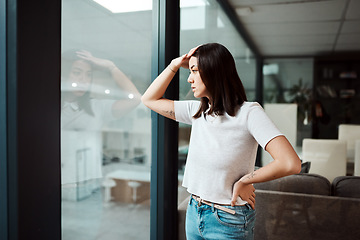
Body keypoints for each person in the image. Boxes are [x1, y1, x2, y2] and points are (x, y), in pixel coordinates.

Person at [141, 43, 301, 239]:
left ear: (213, 71)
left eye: (194, 71)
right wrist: (175, 64)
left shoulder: (249, 113)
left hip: (228, 218)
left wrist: (246, 180)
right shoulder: (197, 112)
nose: (189, 78)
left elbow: (290, 163)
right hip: (194, 211)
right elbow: (149, 99)